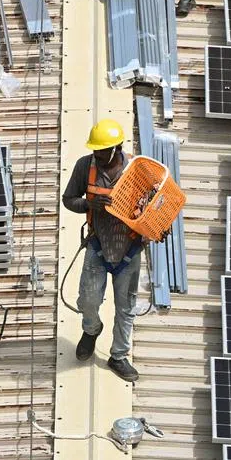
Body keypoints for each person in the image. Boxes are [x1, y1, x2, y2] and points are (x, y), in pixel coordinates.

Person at [61, 118, 143, 382]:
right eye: (95, 150)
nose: (97, 155)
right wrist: (89, 205)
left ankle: (118, 356)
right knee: (88, 299)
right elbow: (69, 199)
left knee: (125, 308)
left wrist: (155, 229)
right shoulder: (85, 166)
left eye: (102, 151)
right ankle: (91, 329)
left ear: (117, 148)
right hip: (98, 244)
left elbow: (157, 205)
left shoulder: (137, 171)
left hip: (129, 248)